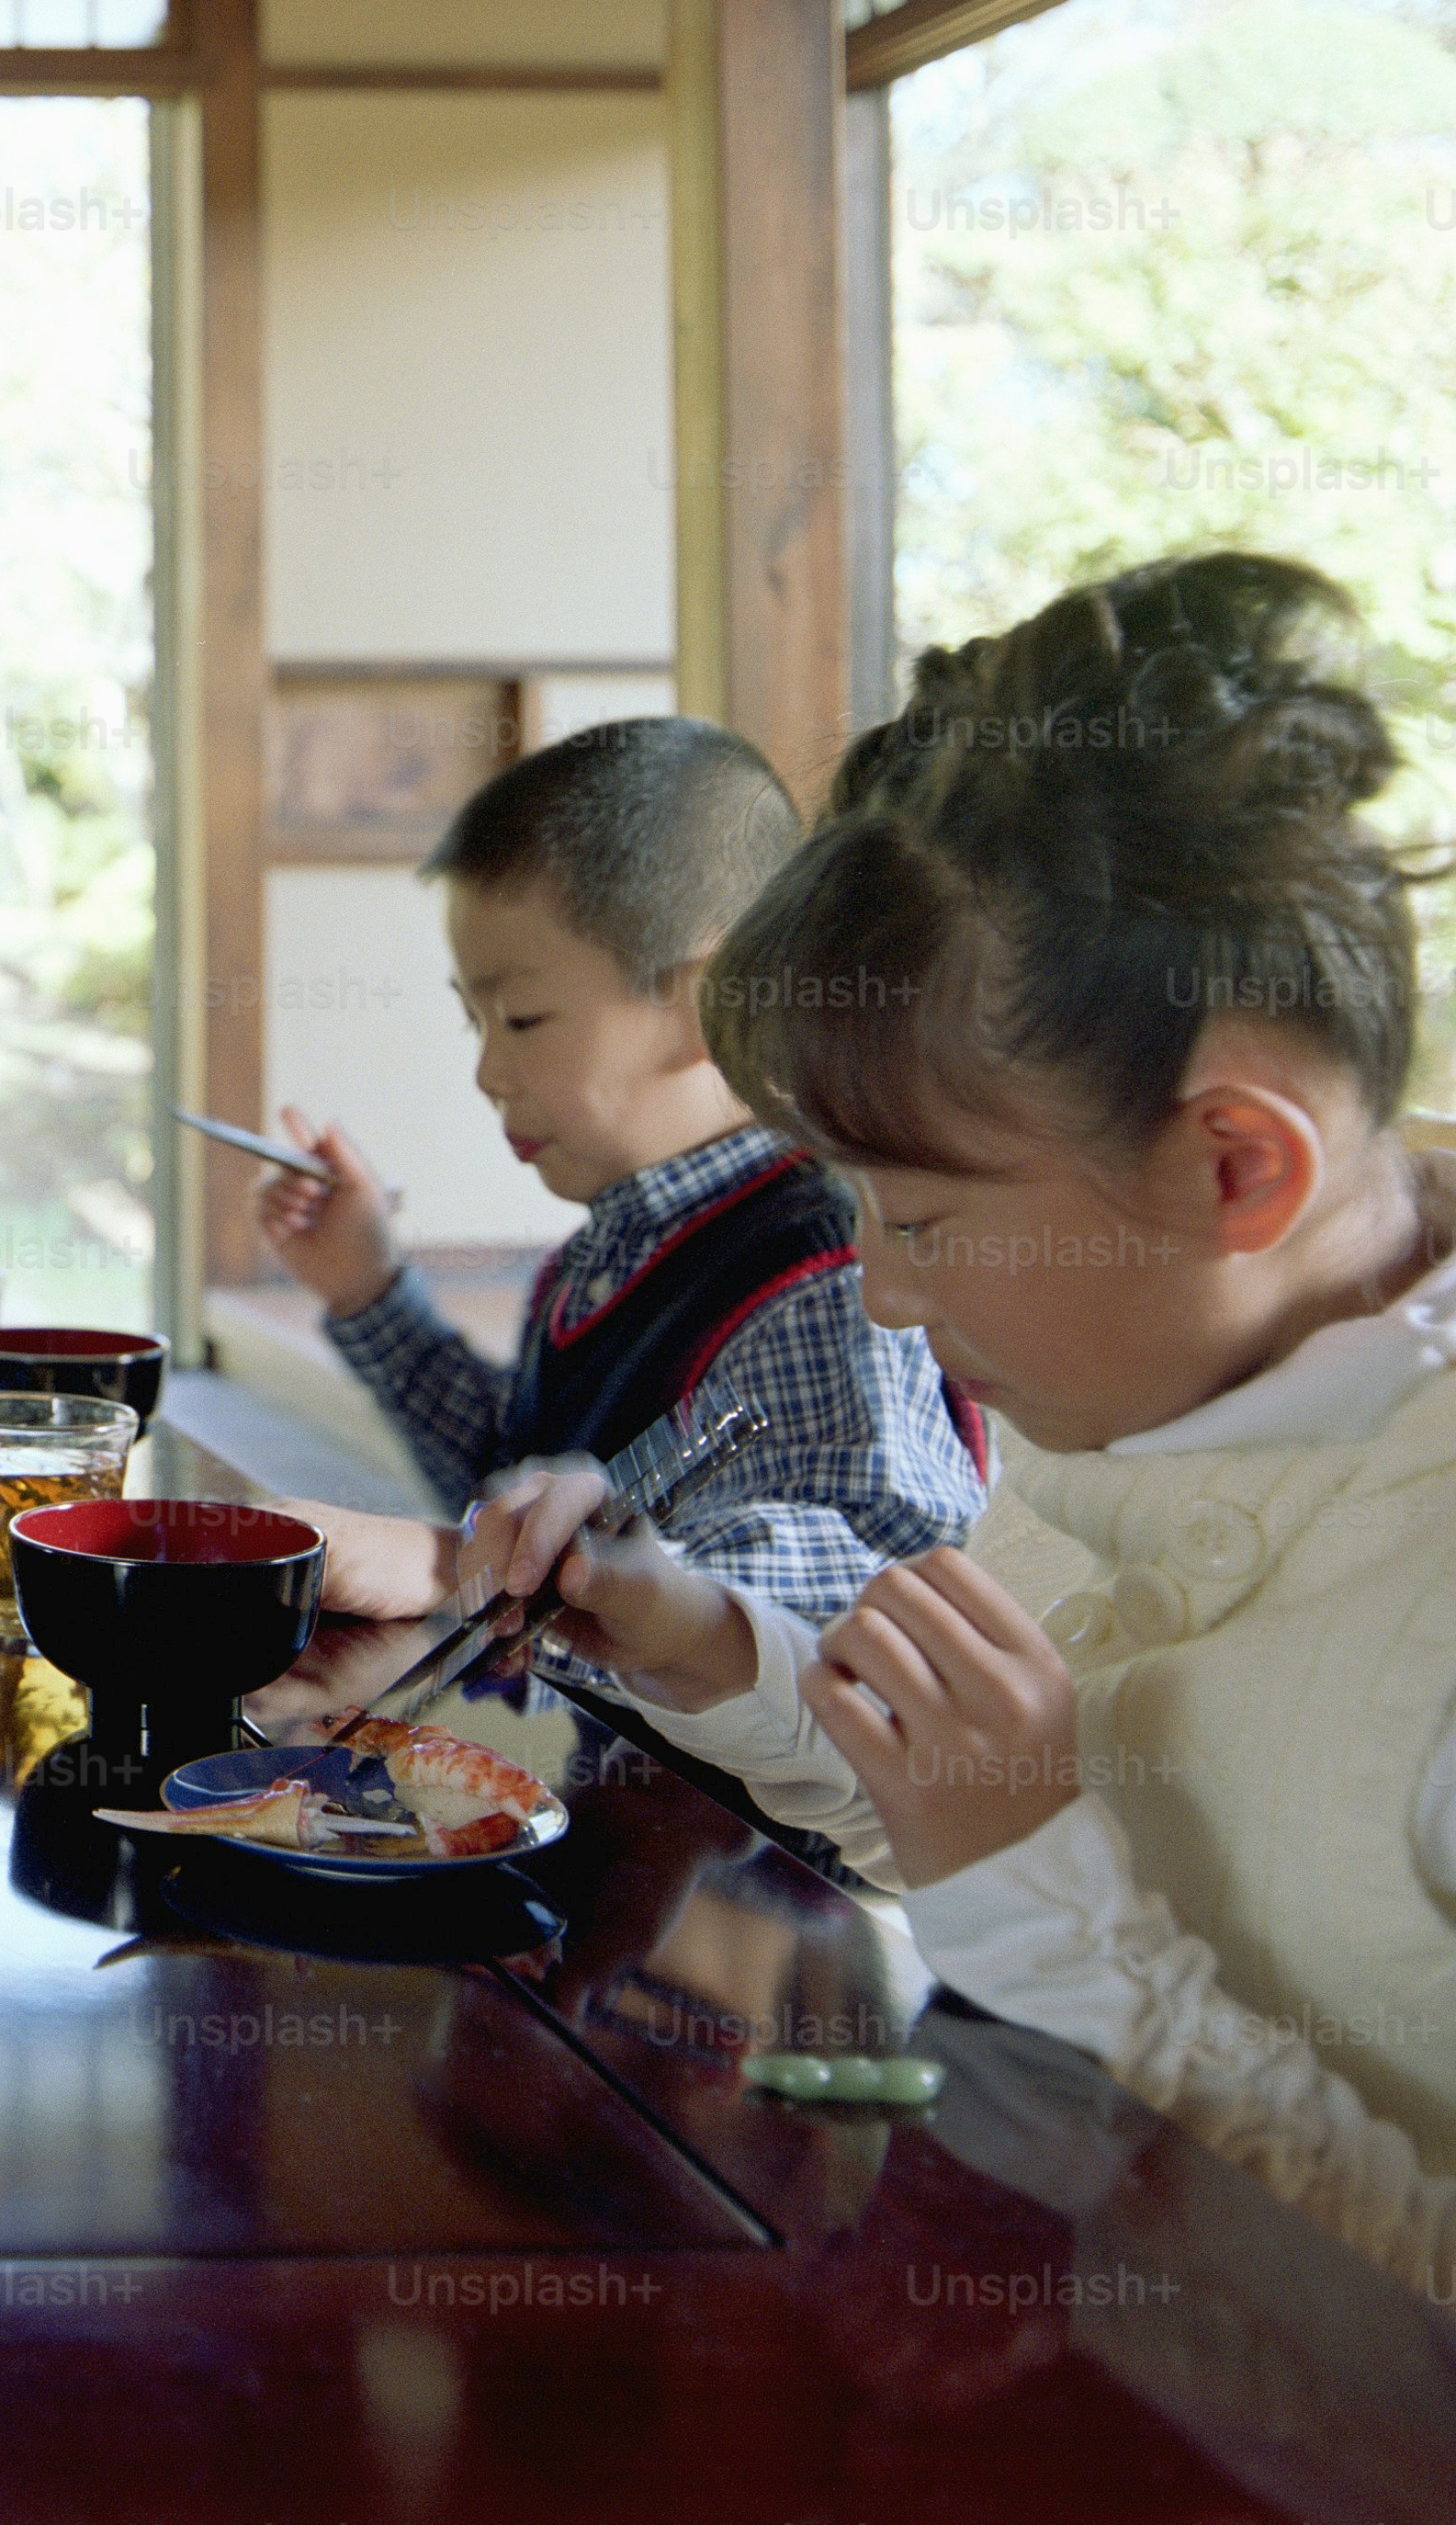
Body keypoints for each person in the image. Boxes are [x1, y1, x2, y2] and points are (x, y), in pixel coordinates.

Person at [463, 556, 1456, 2285]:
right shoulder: (1133, 1388)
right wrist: (720, 1646)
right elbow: (986, 1836)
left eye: (916, 1220)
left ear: (1235, 1162)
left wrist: (1034, 1878)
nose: (886, 1299)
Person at [249, 716, 987, 1624]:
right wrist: (368, 1289)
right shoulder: (608, 1254)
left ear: (709, 1001)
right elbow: (512, 1482)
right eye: (473, 1023)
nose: (487, 1072)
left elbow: (877, 1566)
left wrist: (487, 1566)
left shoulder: (822, 1271)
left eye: (520, 1018)